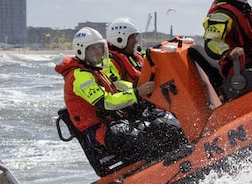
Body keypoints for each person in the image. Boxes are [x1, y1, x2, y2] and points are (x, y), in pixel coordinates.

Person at [54, 27, 184, 175]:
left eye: (100, 48)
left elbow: (118, 90)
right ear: (81, 51)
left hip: (117, 123)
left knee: (163, 126)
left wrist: (141, 92)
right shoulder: (79, 76)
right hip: (102, 135)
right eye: (93, 49)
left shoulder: (95, 71)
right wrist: (137, 92)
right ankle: (165, 173)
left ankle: (182, 159)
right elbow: (106, 103)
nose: (98, 52)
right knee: (145, 143)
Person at [105, 17, 144, 85]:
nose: (135, 41)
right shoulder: (108, 63)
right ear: (120, 39)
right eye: (132, 38)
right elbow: (115, 85)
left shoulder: (135, 57)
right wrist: (138, 89)